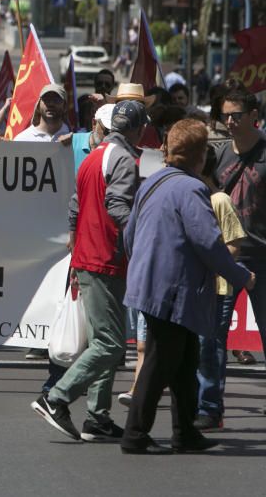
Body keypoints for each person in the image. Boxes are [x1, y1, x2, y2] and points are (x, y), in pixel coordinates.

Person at [120, 120, 254, 455]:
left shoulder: (152, 183)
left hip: (150, 284)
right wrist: (240, 276)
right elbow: (208, 243)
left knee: (184, 361)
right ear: (199, 155)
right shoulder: (191, 189)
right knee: (161, 361)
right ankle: (135, 434)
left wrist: (142, 265)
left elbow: (128, 235)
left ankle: (185, 433)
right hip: (173, 289)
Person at [32, 100, 147, 442]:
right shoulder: (123, 158)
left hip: (89, 256)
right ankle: (56, 397)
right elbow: (117, 206)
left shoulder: (94, 155)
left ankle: (97, 416)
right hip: (105, 258)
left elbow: (76, 206)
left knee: (103, 341)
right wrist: (142, 236)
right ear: (138, 128)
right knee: (111, 344)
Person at [205, 87, 266, 413]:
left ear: (253, 116)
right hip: (225, 257)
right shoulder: (219, 154)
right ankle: (210, 408)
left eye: (236, 115)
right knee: (214, 337)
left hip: (262, 259)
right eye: (225, 115)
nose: (229, 121)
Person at [192, 145, 247, 430]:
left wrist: (213, 265)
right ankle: (201, 404)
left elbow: (235, 243)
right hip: (196, 287)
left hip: (220, 287)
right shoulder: (191, 196)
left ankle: (211, 408)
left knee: (211, 346)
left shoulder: (220, 199)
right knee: (198, 346)